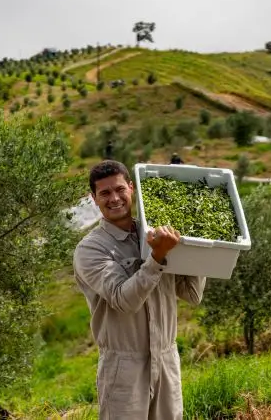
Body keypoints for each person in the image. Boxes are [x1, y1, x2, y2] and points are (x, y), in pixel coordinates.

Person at [73, 160, 206, 419]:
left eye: (120, 189)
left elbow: (192, 294)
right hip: (124, 367)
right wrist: (157, 257)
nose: (114, 198)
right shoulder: (91, 249)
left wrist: (192, 243)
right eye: (105, 193)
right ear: (94, 199)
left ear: (132, 188)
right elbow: (125, 300)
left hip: (167, 360)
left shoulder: (157, 236)